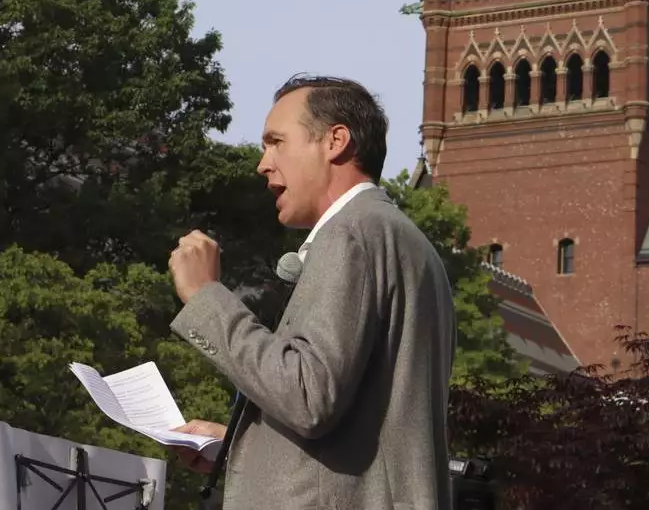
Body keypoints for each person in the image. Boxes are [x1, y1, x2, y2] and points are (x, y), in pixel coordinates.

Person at [167, 74, 456, 510]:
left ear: (335, 141)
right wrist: (240, 446)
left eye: (276, 142)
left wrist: (205, 295)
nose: (263, 164)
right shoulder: (409, 244)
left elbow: (308, 397)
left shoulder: (349, 233)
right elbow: (362, 430)